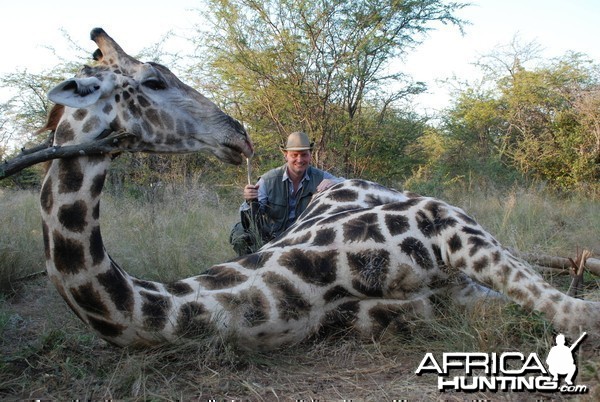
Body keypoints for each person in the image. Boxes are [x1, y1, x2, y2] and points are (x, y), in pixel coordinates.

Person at [230, 131, 344, 256]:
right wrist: (249, 199)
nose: (299, 160)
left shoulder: (320, 176)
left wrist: (334, 182)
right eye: (294, 155)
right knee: (240, 234)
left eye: (304, 155)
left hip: (304, 238)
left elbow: (349, 183)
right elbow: (251, 218)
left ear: (310, 155)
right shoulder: (268, 180)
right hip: (272, 238)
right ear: (286, 155)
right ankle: (252, 267)